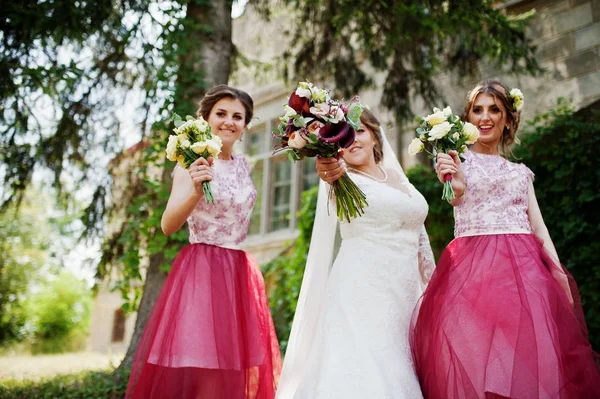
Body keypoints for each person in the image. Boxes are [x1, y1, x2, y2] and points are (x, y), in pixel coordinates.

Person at [410, 78, 600, 398]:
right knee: (480, 357)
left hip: (526, 278)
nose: (485, 117)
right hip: (474, 274)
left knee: (529, 357)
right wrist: (453, 180)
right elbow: (455, 195)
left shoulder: (521, 172)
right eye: (477, 110)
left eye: (494, 109)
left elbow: (538, 227)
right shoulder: (458, 161)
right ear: (467, 119)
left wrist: (558, 272)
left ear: (508, 119)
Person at [125, 85, 281, 399]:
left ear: (245, 126)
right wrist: (197, 190)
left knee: (234, 366)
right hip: (204, 269)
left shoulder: (243, 164)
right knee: (207, 363)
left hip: (238, 270)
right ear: (205, 119)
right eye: (221, 114)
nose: (229, 121)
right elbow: (168, 225)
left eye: (238, 116)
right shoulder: (191, 162)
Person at [275, 109, 435, 398]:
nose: (353, 140)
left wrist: (432, 288)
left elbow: (418, 234)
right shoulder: (340, 177)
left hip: (405, 292)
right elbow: (326, 170)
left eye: (359, 131)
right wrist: (325, 161)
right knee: (367, 366)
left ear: (375, 135)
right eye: (344, 135)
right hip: (361, 290)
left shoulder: (399, 179)